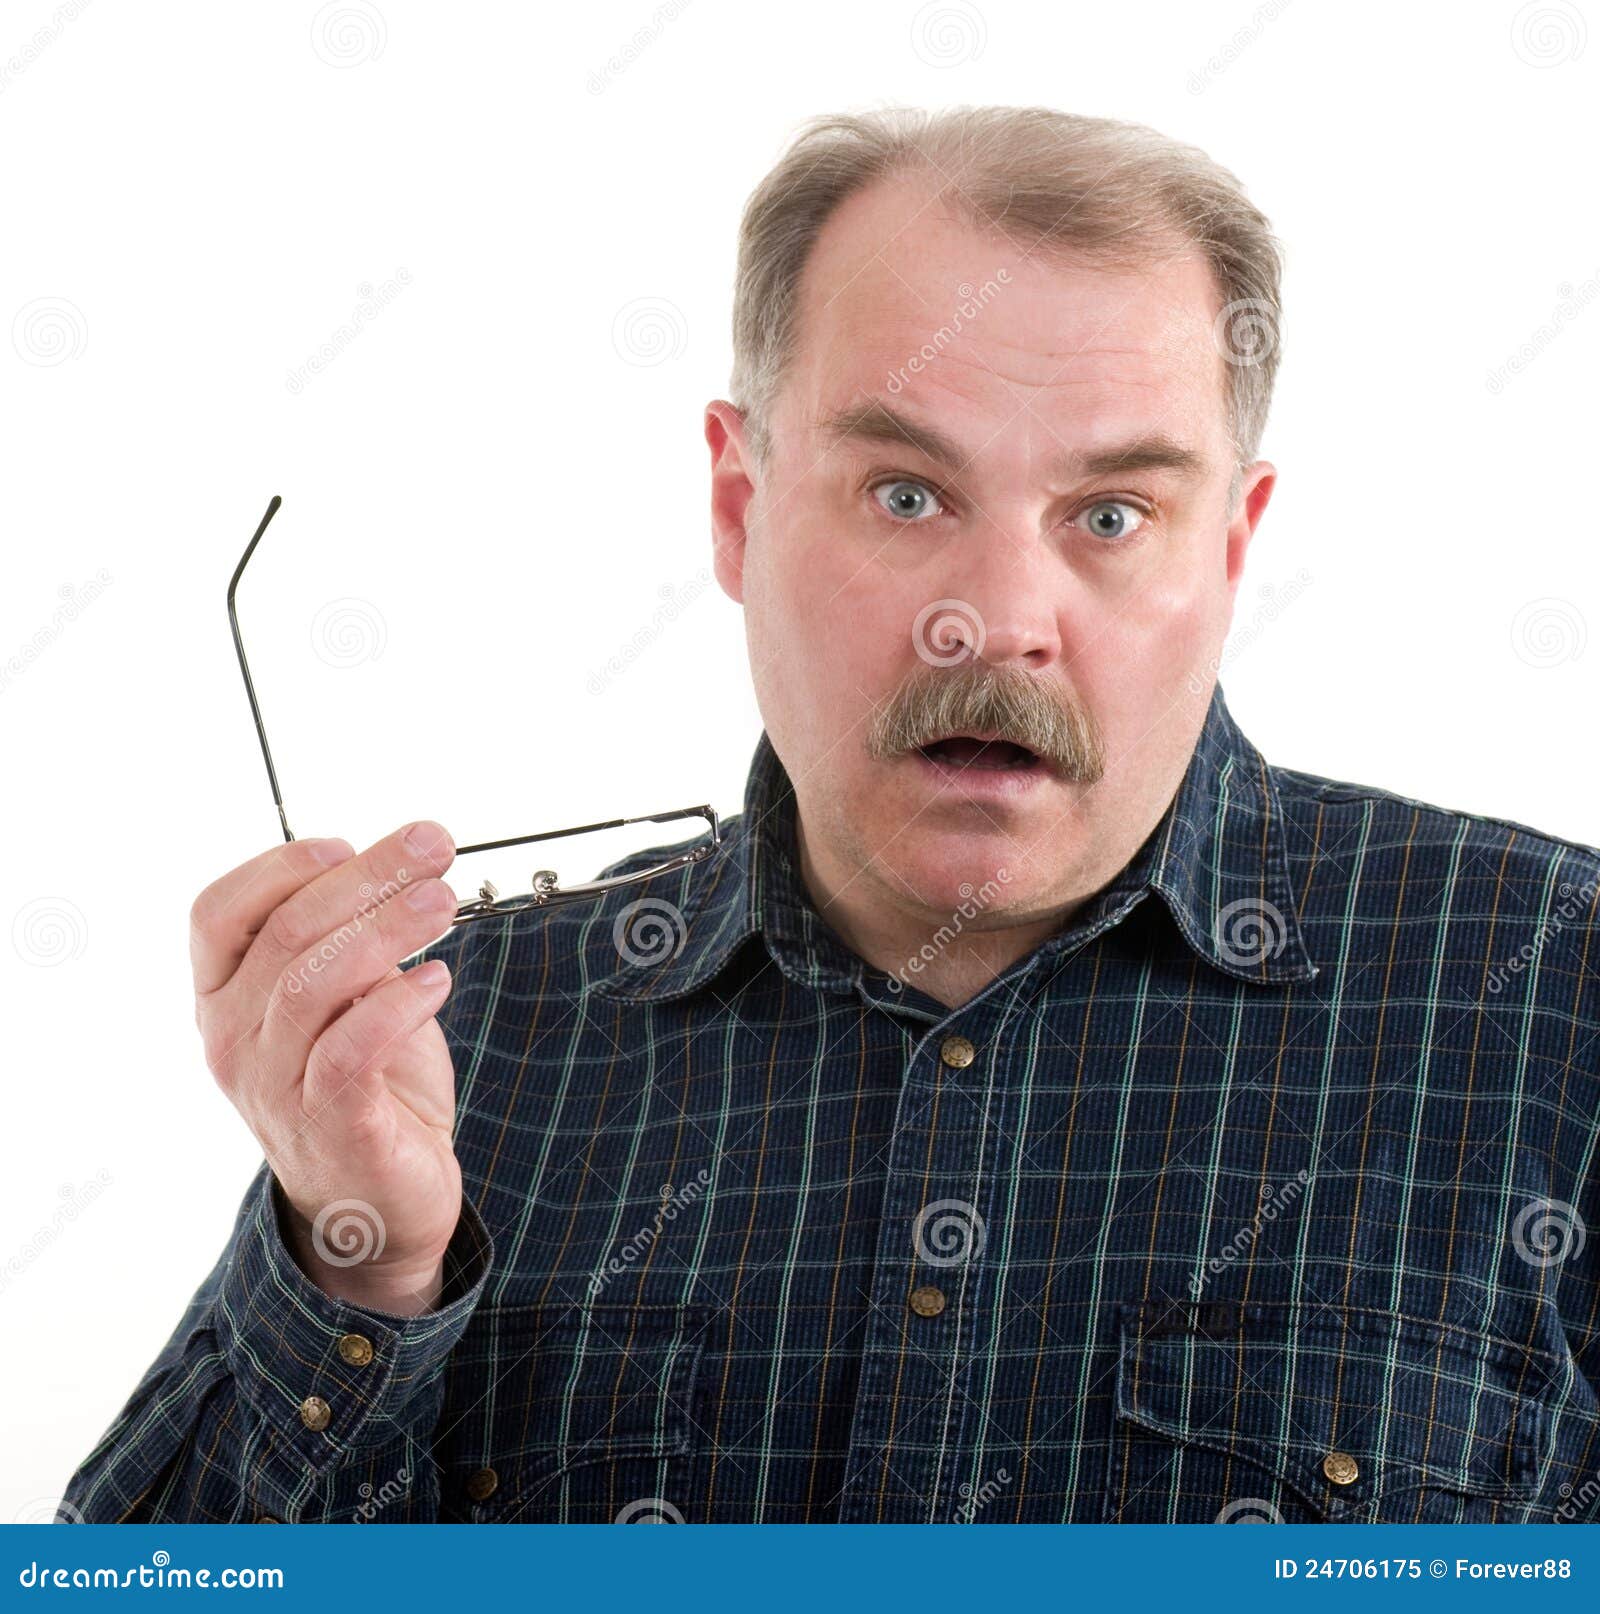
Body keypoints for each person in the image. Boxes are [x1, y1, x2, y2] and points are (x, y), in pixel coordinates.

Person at [62, 105, 1600, 1525]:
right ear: (739, 506)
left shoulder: (1557, 993)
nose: (999, 621)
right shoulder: (463, 1040)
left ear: (1231, 545)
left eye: (1112, 514)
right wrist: (361, 1266)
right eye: (907, 495)